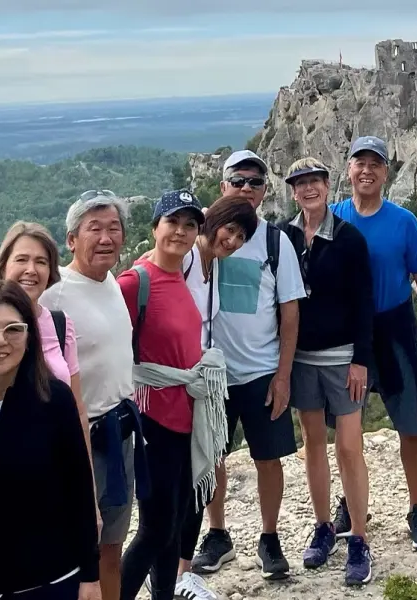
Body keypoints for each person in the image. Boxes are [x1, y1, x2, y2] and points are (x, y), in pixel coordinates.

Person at [190, 150, 305, 582]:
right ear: (222, 186)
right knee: (213, 457)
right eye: (238, 180)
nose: (246, 188)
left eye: (255, 182)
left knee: (268, 458)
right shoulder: (200, 233)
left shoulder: (276, 242)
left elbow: (290, 312)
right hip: (212, 373)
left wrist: (283, 375)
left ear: (264, 191)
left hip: (260, 371)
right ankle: (217, 534)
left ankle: (269, 536)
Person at [329, 136, 417, 551]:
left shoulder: (403, 221)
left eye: (375, 164)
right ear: (349, 170)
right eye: (360, 162)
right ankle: (351, 504)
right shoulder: (332, 217)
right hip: (348, 336)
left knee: (412, 425)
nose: (367, 170)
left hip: (395, 328)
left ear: (385, 173)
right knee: (348, 430)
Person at [38, 190, 151, 600]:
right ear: (71, 240)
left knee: (111, 545)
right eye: (94, 229)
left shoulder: (113, 286)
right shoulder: (54, 294)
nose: (106, 238)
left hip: (120, 435)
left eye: (114, 228)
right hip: (80, 443)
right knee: (75, 546)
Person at [117, 190, 228, 600]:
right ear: (154, 228)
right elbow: (112, 347)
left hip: (184, 414)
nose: (180, 232)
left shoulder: (179, 275)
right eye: (172, 223)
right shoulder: (135, 282)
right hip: (154, 420)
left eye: (189, 225)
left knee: (177, 518)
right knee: (155, 528)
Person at [0, 280, 100, 600]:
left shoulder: (54, 399)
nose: (0, 341)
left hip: (53, 582)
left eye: (13, 329)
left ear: (30, 336)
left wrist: (91, 576)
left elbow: (80, 490)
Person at [279, 158, 375, 585]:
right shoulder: (285, 236)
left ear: (327, 185)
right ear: (293, 191)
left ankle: (358, 536)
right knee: (313, 445)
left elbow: (364, 304)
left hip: (342, 360)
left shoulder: (349, 238)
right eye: (301, 184)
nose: (309, 189)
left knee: (350, 449)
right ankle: (323, 527)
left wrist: (361, 361)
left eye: (315, 181)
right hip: (301, 360)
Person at [171, 194, 258, 600]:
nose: (234, 241)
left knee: (199, 480)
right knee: (178, 483)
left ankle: (181, 572)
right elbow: (145, 277)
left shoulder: (212, 266)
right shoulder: (187, 256)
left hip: (201, 387)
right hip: (173, 385)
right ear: (214, 221)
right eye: (231, 230)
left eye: (242, 236)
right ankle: (168, 572)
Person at [0, 221, 88, 452]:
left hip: (56, 466)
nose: (31, 270)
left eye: (41, 262)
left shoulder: (60, 324)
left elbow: (78, 413)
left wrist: (88, 482)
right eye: (21, 259)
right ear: (4, 266)